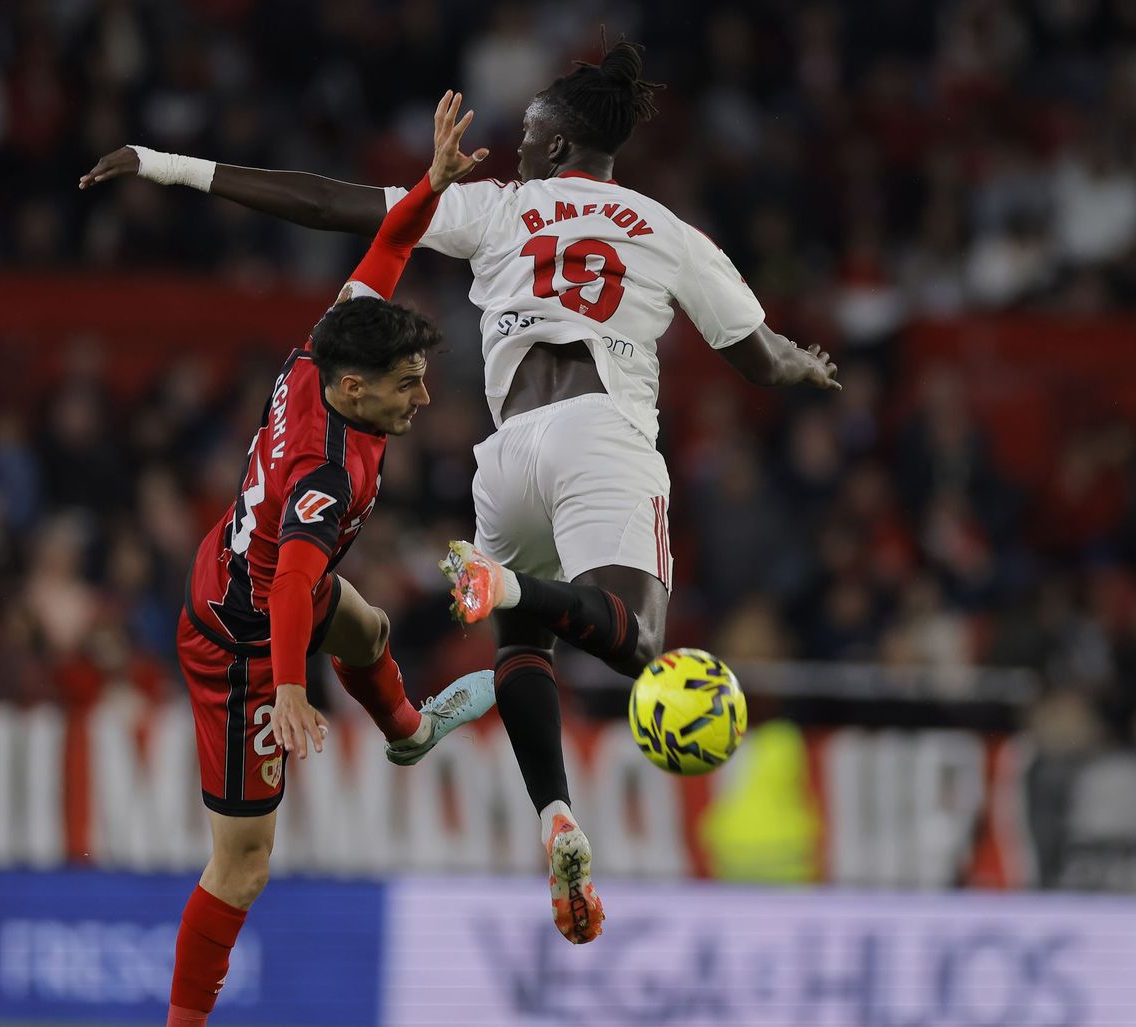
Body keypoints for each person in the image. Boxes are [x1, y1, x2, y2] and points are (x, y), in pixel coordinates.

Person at [81, 42, 840, 947]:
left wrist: (168, 165)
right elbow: (758, 359)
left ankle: (553, 810)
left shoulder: (497, 207)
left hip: (507, 452)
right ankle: (511, 597)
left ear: (559, 149)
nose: (517, 150)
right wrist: (800, 364)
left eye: (527, 136)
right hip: (600, 430)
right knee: (633, 638)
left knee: (524, 648)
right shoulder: (667, 230)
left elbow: (330, 204)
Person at [150, 94, 494, 1027]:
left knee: (372, 625)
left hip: (243, 567)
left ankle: (408, 730)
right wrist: (289, 689)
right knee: (244, 863)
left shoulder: (325, 350)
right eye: (407, 384)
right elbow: (297, 577)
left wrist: (431, 182)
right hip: (239, 638)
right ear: (353, 390)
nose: (423, 397)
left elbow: (385, 250)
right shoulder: (328, 474)